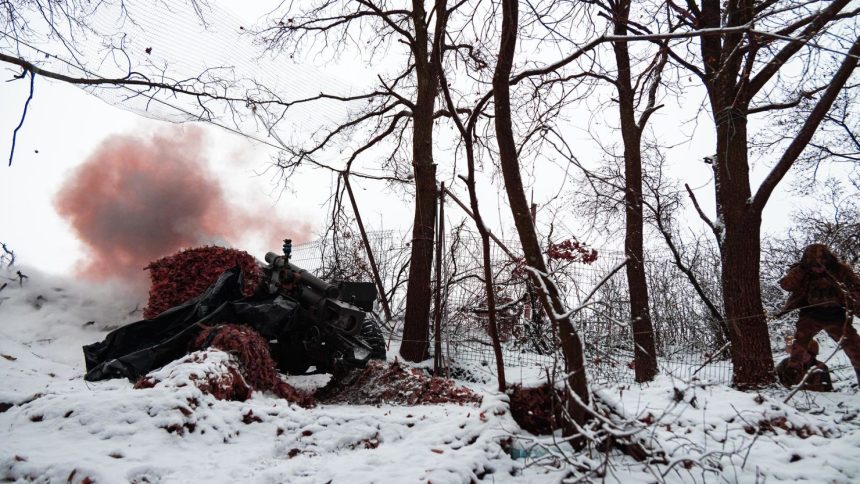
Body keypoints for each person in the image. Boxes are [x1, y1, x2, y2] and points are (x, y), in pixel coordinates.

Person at [777, 244, 860, 386]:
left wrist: (851, 297)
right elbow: (786, 285)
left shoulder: (840, 271)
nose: (818, 268)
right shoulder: (802, 271)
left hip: (836, 316)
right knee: (798, 350)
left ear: (828, 261)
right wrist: (801, 270)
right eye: (814, 265)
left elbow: (857, 287)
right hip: (810, 315)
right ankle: (791, 382)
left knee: (855, 348)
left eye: (821, 264)